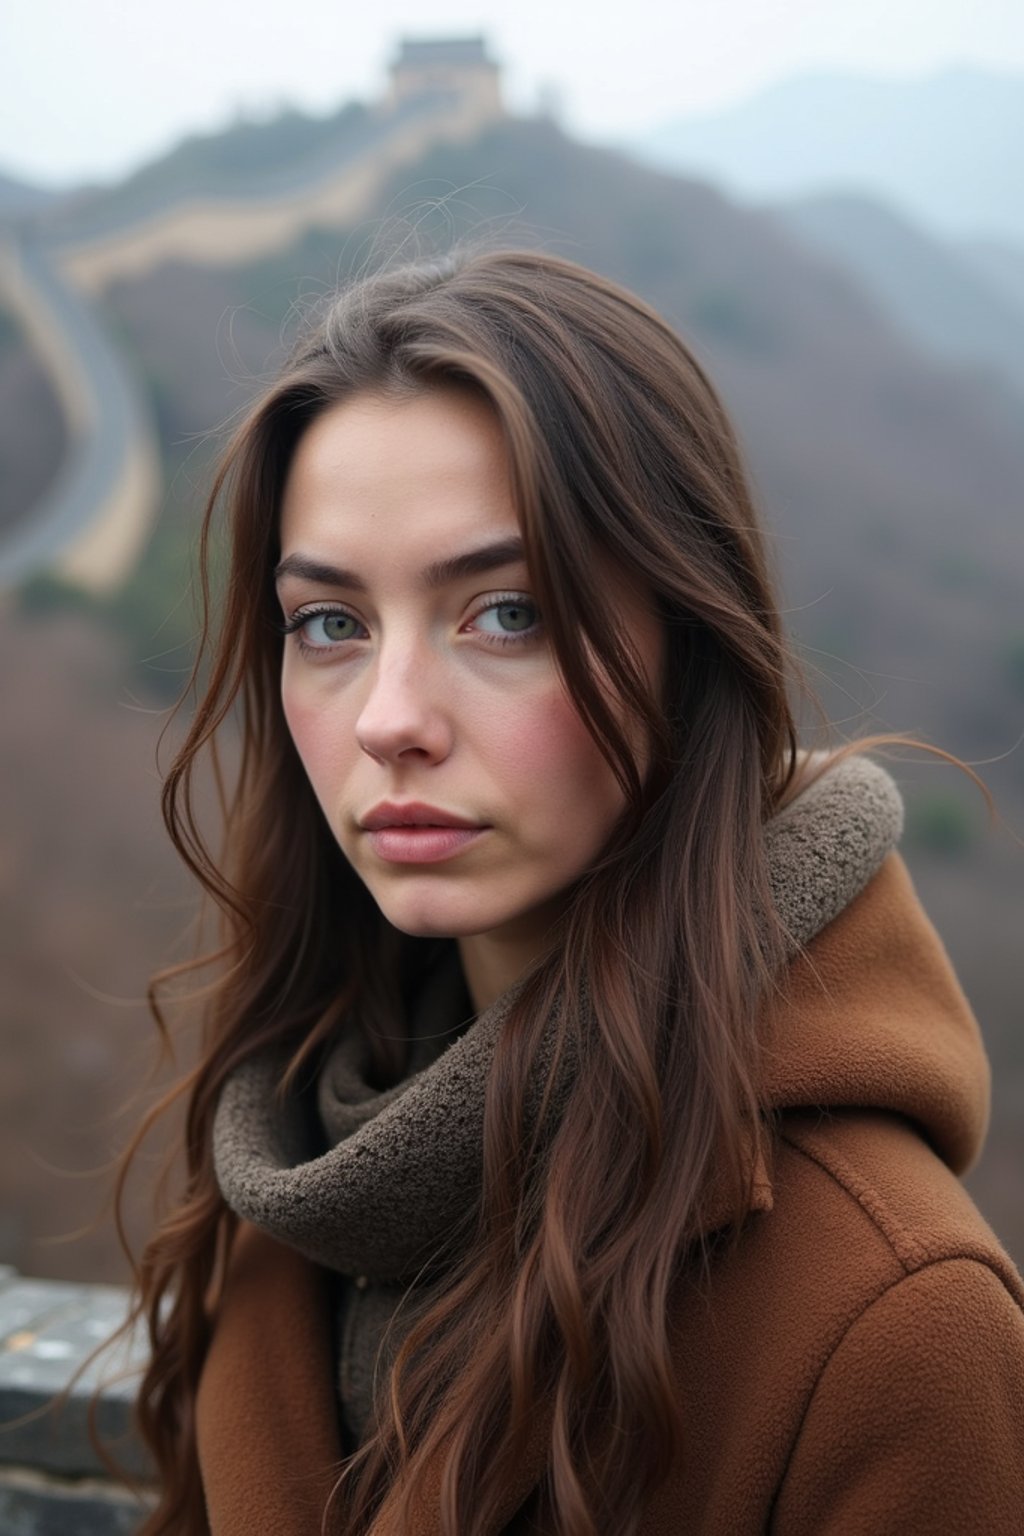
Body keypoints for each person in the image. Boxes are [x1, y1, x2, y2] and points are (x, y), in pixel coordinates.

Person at [110, 248, 1024, 1535]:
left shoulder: (887, 1320)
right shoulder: (303, 1160)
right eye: (330, 625)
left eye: (505, 614)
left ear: (684, 645)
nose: (389, 721)